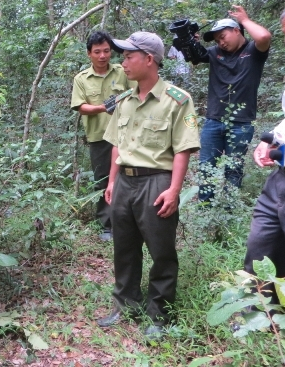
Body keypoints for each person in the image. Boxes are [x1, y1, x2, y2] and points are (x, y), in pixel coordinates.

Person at [97, 32, 200, 340]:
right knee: (124, 247)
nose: (123, 62)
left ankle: (160, 313)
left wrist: (174, 189)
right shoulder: (124, 100)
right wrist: (112, 181)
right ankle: (125, 303)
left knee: (161, 250)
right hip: (125, 182)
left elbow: (182, 149)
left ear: (149, 60)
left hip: (157, 181)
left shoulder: (177, 100)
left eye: (129, 56)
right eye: (123, 56)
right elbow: (116, 143)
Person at [195, 5, 271, 202]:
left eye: (223, 36)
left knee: (234, 168)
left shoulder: (253, 51)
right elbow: (194, 57)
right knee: (205, 167)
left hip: (241, 123)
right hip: (213, 120)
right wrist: (190, 43)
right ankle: (205, 209)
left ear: (236, 30)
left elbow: (263, 37)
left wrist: (244, 19)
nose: (220, 42)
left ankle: (229, 208)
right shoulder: (214, 53)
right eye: (217, 39)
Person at [69, 31, 134, 241]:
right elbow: (80, 106)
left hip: (127, 134)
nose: (102, 56)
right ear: (89, 54)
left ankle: (128, 221)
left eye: (106, 51)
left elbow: (137, 93)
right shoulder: (81, 79)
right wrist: (102, 107)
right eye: (97, 52)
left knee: (130, 177)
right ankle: (107, 225)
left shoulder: (122, 72)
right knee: (103, 180)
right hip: (99, 137)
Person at [242, 10, 285, 304]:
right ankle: (258, 311)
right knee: (261, 244)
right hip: (279, 181)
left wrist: (277, 151)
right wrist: (269, 139)